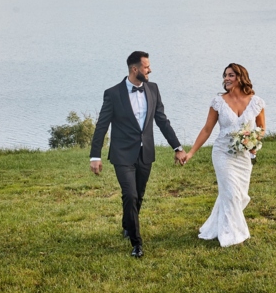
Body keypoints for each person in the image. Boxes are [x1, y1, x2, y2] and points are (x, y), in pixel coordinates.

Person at [89, 51, 186, 258]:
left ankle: (128, 224)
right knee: (130, 195)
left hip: (145, 152)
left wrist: (177, 147)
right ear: (135, 69)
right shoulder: (113, 94)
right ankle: (137, 244)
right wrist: (95, 156)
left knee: (138, 195)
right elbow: (102, 126)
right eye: (146, 67)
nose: (150, 70)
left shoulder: (153, 89)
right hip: (122, 154)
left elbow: (162, 120)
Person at [183, 63, 266, 247]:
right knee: (231, 193)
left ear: (241, 77)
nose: (226, 79)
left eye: (231, 75)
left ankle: (215, 226)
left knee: (240, 195)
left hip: (243, 156)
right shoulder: (218, 102)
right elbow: (207, 129)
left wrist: (253, 144)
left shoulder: (256, 102)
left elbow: (261, 128)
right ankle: (233, 235)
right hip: (222, 153)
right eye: (225, 75)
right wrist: (191, 153)